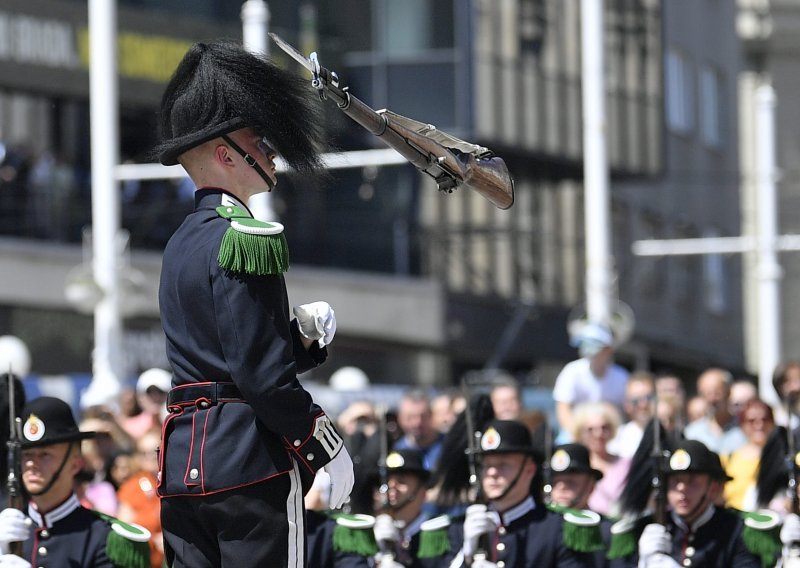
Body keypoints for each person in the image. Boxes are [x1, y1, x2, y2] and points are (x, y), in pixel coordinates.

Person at [153, 40, 354, 567]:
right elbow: (260, 376)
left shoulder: (179, 243)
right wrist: (325, 446)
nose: (270, 153)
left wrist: (298, 338)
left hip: (184, 465)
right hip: (248, 461)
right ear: (226, 154)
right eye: (259, 141)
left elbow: (223, 351)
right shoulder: (248, 234)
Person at [0, 396, 150, 567]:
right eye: (27, 455)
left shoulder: (105, 538)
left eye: (45, 455)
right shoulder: (7, 530)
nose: (32, 464)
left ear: (76, 463)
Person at [447, 419, 601, 567]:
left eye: (503, 465)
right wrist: (465, 558)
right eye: (486, 465)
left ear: (529, 469)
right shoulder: (462, 528)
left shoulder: (559, 529)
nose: (492, 472)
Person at [612, 440, 767, 567]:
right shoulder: (644, 529)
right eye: (675, 481)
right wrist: (643, 562)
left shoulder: (736, 530)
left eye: (692, 481)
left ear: (712, 487)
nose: (681, 489)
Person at [553, 322, 630, 442]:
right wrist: (577, 436)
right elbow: (563, 409)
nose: (589, 351)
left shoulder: (621, 376)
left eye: (595, 346)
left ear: (608, 349)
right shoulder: (571, 371)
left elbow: (627, 410)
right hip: (576, 436)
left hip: (612, 438)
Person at [571, 402, 630, 518]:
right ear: (580, 433)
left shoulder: (626, 464)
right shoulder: (575, 466)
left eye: (604, 428)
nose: (598, 434)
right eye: (590, 429)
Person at [721, 399, 775, 511]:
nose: (759, 425)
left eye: (765, 419)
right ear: (742, 425)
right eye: (751, 420)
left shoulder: (784, 459)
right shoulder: (727, 460)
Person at [684, 367, 747, 454]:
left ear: (728, 393)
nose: (712, 399)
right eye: (707, 394)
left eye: (717, 393)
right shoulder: (692, 433)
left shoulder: (745, 429)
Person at [607, 372, 656, 459]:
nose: (643, 405)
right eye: (636, 400)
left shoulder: (672, 433)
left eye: (649, 398)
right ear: (627, 405)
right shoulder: (616, 438)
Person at [394, 390, 444, 473]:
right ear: (400, 418)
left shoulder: (447, 446)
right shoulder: (397, 451)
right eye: (410, 417)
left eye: (423, 416)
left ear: (431, 415)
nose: (417, 423)